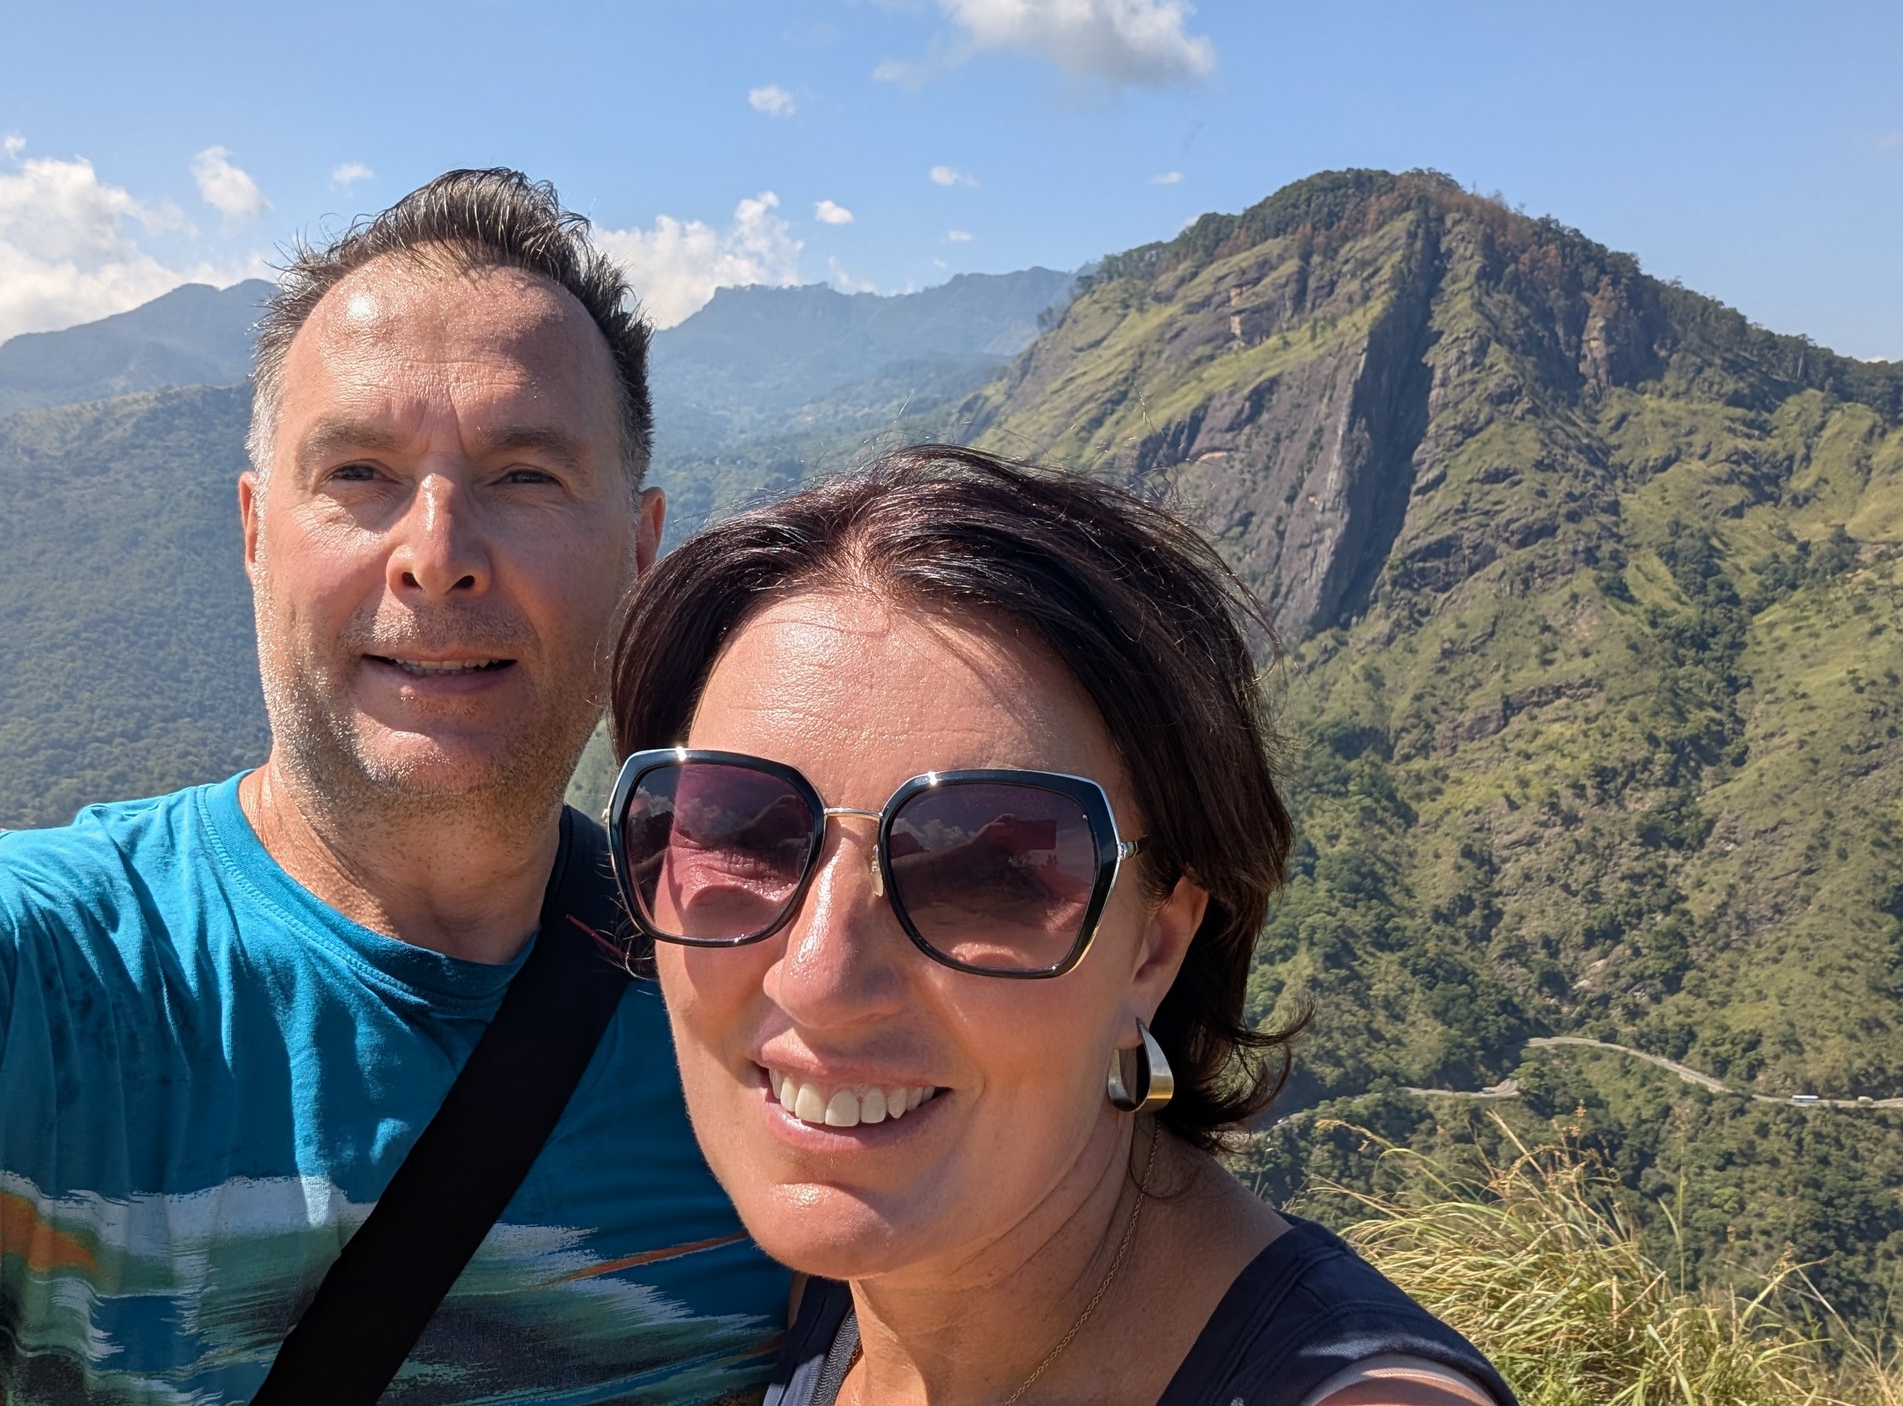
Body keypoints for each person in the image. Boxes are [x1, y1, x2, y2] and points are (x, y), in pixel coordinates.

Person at [0, 170, 787, 1405]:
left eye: (527, 475)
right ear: (254, 531)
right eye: (360, 473)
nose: (436, 555)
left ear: (642, 547)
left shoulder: (774, 1020)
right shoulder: (11, 987)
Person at [601, 447, 1518, 1406]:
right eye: (738, 829)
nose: (818, 977)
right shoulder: (842, 1286)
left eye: (985, 872)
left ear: (1154, 947)